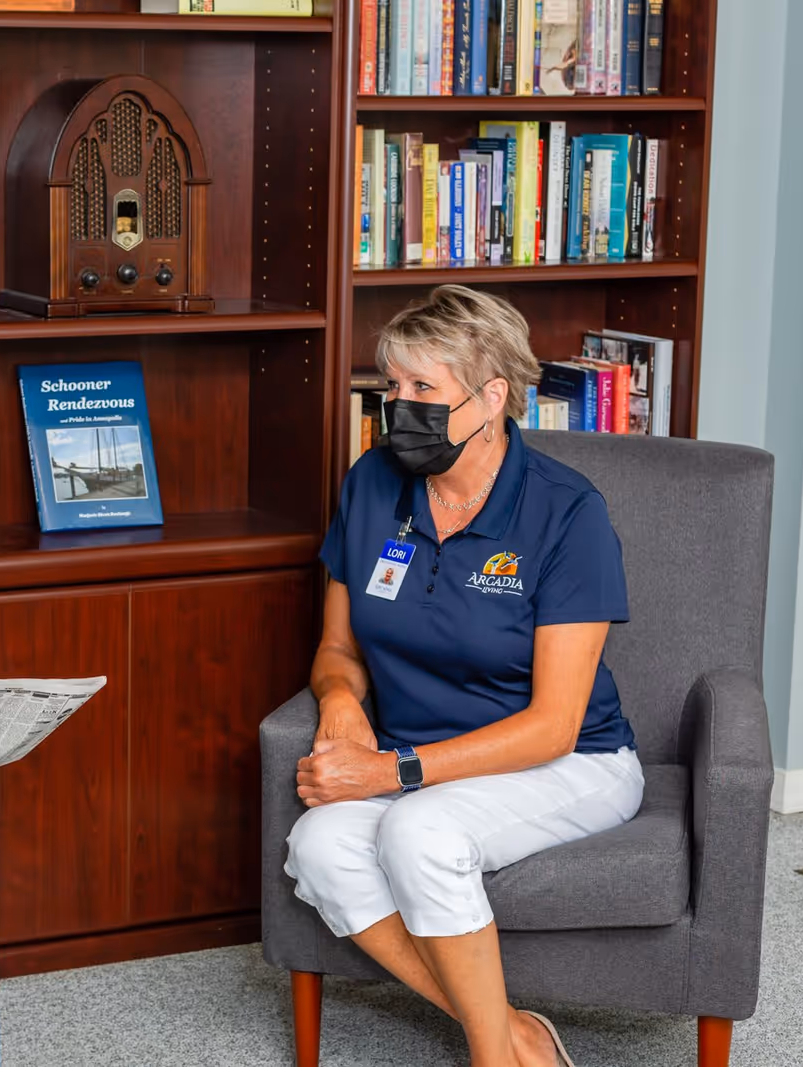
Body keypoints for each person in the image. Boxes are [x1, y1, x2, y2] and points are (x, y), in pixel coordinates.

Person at [284, 285, 643, 1067]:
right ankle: (515, 1035)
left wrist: (388, 768)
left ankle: (491, 1058)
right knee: (318, 846)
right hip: (422, 755)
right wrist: (340, 697)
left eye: (422, 389)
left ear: (492, 397)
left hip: (570, 760)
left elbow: (554, 722)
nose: (396, 406)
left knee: (420, 832)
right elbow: (337, 646)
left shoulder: (567, 513)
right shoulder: (372, 483)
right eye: (391, 386)